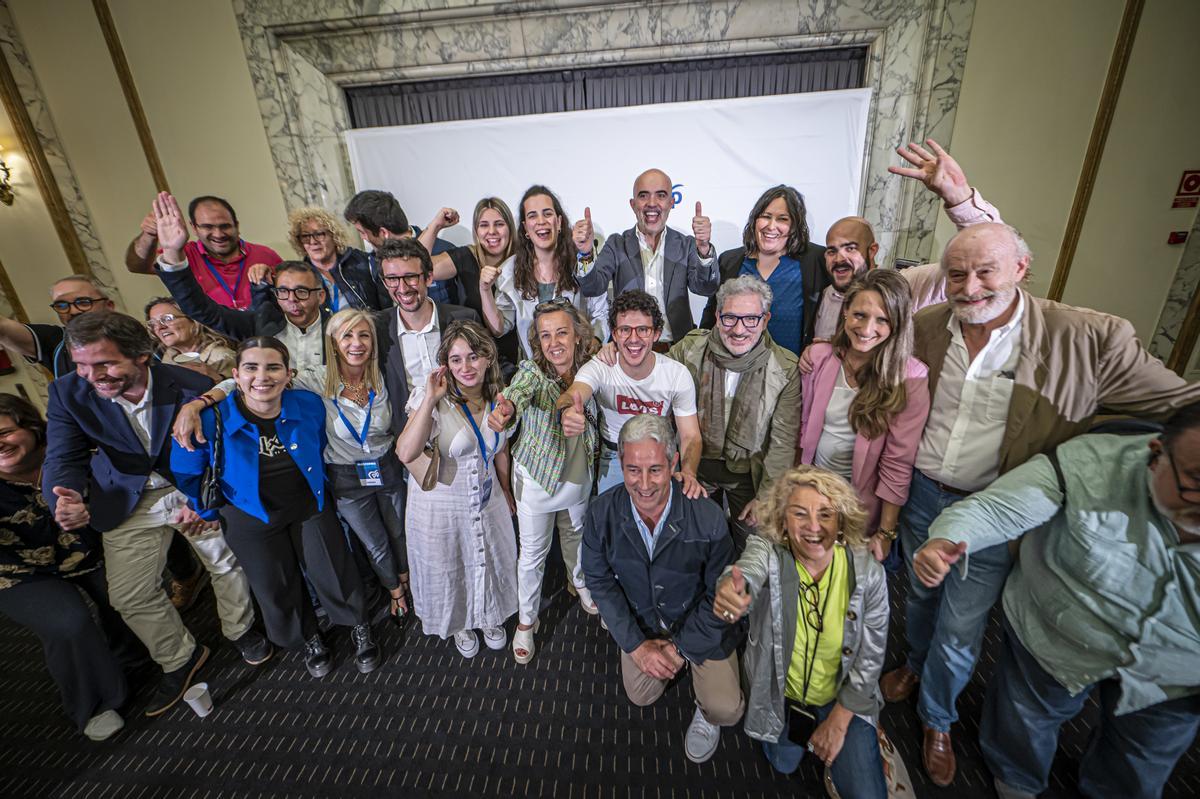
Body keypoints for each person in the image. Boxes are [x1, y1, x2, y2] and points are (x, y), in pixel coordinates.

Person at [879, 222, 1200, 787]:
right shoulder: (927, 326)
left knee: (963, 624)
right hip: (923, 492)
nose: (969, 286)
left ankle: (938, 718)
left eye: (985, 272)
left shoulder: (1086, 337)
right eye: (956, 274)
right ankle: (911, 664)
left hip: (999, 505)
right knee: (922, 599)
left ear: (1021, 270)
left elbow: (1181, 400)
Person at [912, 401, 1200, 799]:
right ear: (1155, 455)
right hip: (1051, 640)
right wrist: (946, 538)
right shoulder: (1087, 462)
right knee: (1025, 723)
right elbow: (997, 509)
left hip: (1173, 683)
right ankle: (1015, 782)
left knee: (1138, 762)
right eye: (1196, 485)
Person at [42, 312, 264, 717]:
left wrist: (202, 503)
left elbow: (222, 453)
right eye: (82, 365)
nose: (93, 375)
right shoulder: (67, 393)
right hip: (127, 498)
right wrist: (66, 496)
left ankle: (242, 630)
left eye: (106, 363)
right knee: (128, 594)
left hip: (190, 487)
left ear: (143, 355)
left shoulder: (191, 385)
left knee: (224, 561)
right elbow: (62, 456)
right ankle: (180, 657)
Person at [171, 337, 378, 677]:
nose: (262, 377)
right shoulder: (210, 418)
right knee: (276, 583)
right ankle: (310, 637)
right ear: (236, 375)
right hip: (248, 514)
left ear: (288, 374)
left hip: (307, 503)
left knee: (333, 568)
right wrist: (206, 511)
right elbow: (186, 471)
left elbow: (320, 442)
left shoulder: (308, 405)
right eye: (251, 368)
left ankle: (357, 624)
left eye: (272, 368)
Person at [713, 466, 888, 796]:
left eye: (825, 514)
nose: (813, 526)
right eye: (800, 513)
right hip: (782, 697)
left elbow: (870, 655)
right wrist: (732, 591)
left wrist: (838, 722)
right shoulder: (769, 551)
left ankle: (868, 736)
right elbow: (746, 571)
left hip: (844, 699)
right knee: (783, 763)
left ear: (840, 522)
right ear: (782, 522)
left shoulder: (867, 574)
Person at [581, 413, 743, 764]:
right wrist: (637, 646)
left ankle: (703, 706)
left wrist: (680, 649)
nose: (644, 484)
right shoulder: (600, 513)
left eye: (655, 469)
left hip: (697, 622)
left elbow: (721, 596)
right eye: (632, 470)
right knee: (641, 694)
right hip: (645, 621)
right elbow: (598, 580)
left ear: (673, 464)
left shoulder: (708, 515)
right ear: (620, 465)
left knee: (726, 709)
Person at [0, 394, 142, 741]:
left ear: (31, 427)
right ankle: (93, 703)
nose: (0, 445)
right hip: (16, 569)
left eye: (5, 432)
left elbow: (118, 488)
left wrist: (90, 508)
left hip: (85, 546)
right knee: (68, 622)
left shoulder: (71, 449)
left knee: (125, 594)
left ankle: (132, 657)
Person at [486, 300, 601, 663]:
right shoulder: (531, 371)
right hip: (537, 481)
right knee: (533, 555)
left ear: (578, 335)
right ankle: (526, 620)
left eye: (562, 332)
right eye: (545, 335)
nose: (554, 343)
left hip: (579, 475)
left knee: (576, 534)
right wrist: (506, 410)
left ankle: (579, 582)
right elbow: (517, 393)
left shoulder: (592, 367)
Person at [395, 321, 517, 658]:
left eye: (474, 357)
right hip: (441, 503)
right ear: (445, 363)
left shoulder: (497, 395)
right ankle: (461, 622)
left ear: (489, 358)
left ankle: (489, 616)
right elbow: (405, 453)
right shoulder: (430, 396)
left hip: (486, 496)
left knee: (488, 560)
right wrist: (431, 400)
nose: (466, 367)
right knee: (452, 564)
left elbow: (501, 449)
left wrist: (506, 490)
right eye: (456, 359)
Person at [796, 270, 930, 565]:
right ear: (845, 312)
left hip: (857, 506)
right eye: (859, 314)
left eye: (882, 319)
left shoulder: (910, 377)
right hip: (810, 492)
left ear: (897, 324)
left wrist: (885, 532)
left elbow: (898, 462)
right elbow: (802, 429)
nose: (868, 328)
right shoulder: (820, 357)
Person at [667, 275, 799, 549]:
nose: (739, 330)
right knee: (695, 541)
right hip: (697, 466)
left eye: (751, 319)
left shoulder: (785, 368)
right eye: (730, 318)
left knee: (756, 544)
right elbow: (651, 378)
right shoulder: (690, 350)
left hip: (749, 473)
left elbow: (782, 443)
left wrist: (767, 497)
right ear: (717, 316)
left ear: (765, 320)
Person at [153, 192, 332, 390]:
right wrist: (172, 253)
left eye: (302, 292)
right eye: (283, 291)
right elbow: (200, 309)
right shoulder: (261, 323)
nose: (292, 300)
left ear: (321, 295)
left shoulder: (339, 329)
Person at [558, 290, 702, 496]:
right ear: (614, 334)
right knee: (615, 520)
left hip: (659, 454)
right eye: (625, 330)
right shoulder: (601, 366)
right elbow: (573, 394)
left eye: (643, 329)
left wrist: (688, 472)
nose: (633, 339)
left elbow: (690, 435)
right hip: (615, 457)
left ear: (656, 333)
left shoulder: (676, 374)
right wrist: (567, 412)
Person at [320, 309, 410, 626]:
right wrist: (203, 400)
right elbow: (257, 382)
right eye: (347, 335)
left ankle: (406, 575)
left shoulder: (385, 376)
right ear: (333, 343)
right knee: (375, 543)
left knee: (399, 532)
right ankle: (395, 590)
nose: (357, 343)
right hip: (346, 478)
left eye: (364, 335)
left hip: (386, 466)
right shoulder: (315, 380)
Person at [572, 168, 717, 344]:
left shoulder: (685, 245)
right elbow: (593, 288)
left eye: (661, 195)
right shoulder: (617, 244)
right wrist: (586, 253)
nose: (652, 203)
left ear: (671, 203)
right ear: (633, 205)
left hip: (679, 351)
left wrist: (703, 248)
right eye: (643, 196)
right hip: (630, 349)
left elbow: (705, 288)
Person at [480, 185, 608, 360]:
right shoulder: (509, 270)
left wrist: (594, 342)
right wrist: (485, 290)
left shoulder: (582, 261)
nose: (541, 221)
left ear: (559, 221)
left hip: (581, 368)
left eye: (547, 214)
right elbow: (499, 329)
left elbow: (602, 313)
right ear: (525, 228)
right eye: (533, 215)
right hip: (534, 374)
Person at [701, 185, 826, 356]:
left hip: (792, 375)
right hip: (735, 370)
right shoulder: (730, 261)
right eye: (766, 216)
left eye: (783, 219)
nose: (771, 226)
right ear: (755, 220)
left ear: (795, 226)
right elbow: (711, 319)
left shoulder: (816, 260)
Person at [125, 195, 282, 309]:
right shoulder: (181, 255)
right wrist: (149, 236)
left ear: (237, 225)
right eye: (208, 227)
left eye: (225, 226)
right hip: (212, 340)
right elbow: (137, 266)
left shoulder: (265, 255)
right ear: (194, 227)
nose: (218, 234)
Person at [418, 198, 520, 363]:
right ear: (476, 230)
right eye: (484, 225)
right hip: (473, 362)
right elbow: (416, 266)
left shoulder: (523, 261)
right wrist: (436, 225)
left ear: (510, 227)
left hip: (517, 359)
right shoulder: (466, 257)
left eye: (499, 224)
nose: (492, 231)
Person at [253, 206, 390, 312]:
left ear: (334, 235)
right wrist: (262, 284)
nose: (313, 241)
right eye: (305, 236)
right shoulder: (299, 276)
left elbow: (386, 306)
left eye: (319, 234)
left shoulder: (362, 262)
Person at [343, 189, 457, 304]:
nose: (363, 238)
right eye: (392, 278)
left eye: (362, 232)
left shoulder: (444, 251)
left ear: (383, 233)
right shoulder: (373, 262)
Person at [0, 275, 115, 379]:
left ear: (109, 306)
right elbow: (3, 327)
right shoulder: (56, 341)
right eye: (61, 305)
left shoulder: (131, 337)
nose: (73, 311)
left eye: (83, 302)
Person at [144, 297, 237, 381]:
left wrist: (217, 380)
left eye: (167, 319)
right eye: (153, 324)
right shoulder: (167, 362)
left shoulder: (222, 356)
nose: (159, 327)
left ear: (193, 320)